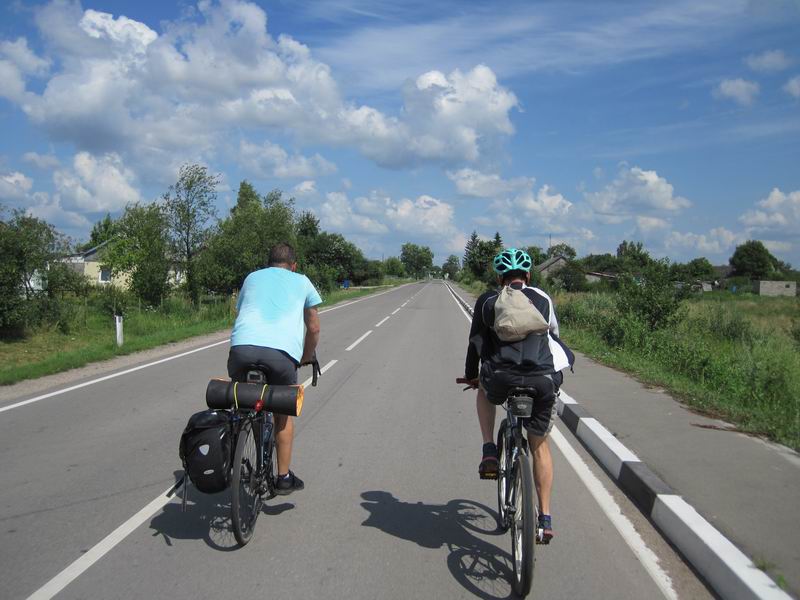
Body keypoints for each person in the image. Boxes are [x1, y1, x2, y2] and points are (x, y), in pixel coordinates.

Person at [461, 247, 574, 543]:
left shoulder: (487, 300)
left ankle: (488, 448)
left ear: (499, 276)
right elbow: (553, 337)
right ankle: (545, 517)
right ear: (528, 274)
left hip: (501, 378)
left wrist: (473, 375)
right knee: (540, 447)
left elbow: (476, 344)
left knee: (484, 390)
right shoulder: (543, 298)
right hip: (541, 381)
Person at [227, 242, 322, 495]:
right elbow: (313, 328)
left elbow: (241, 315)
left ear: (269, 263)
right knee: (282, 415)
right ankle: (283, 477)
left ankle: (235, 451)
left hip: (241, 350)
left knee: (242, 401)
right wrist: (305, 356)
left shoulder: (251, 278)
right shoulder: (301, 281)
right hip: (280, 356)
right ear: (294, 265)